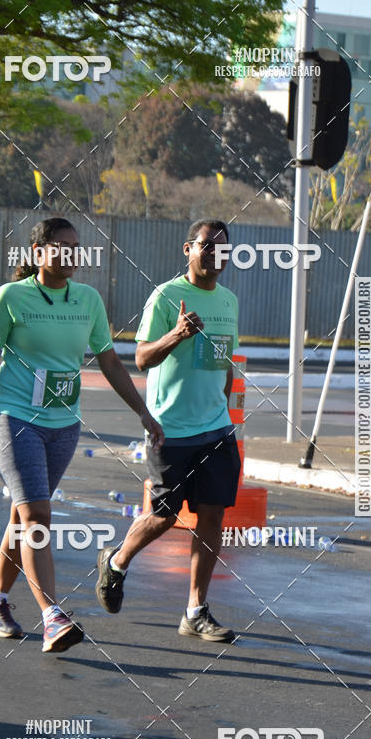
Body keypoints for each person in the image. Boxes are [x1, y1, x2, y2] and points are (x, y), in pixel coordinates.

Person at [0, 217, 163, 654]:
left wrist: (143, 412)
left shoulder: (88, 299)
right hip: (16, 420)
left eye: (76, 246)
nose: (71, 254)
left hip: (64, 427)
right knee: (38, 517)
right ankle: (52, 616)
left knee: (23, 517)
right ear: (38, 252)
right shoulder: (11, 297)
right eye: (62, 246)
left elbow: (109, 361)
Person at [95, 218, 241, 642]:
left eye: (222, 248)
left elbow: (225, 364)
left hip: (216, 429)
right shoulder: (165, 296)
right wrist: (177, 334)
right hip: (170, 429)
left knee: (212, 516)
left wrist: (224, 411)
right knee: (164, 516)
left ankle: (195, 611)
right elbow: (141, 358)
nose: (214, 254)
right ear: (187, 249)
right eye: (206, 245)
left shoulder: (229, 301)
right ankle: (116, 561)